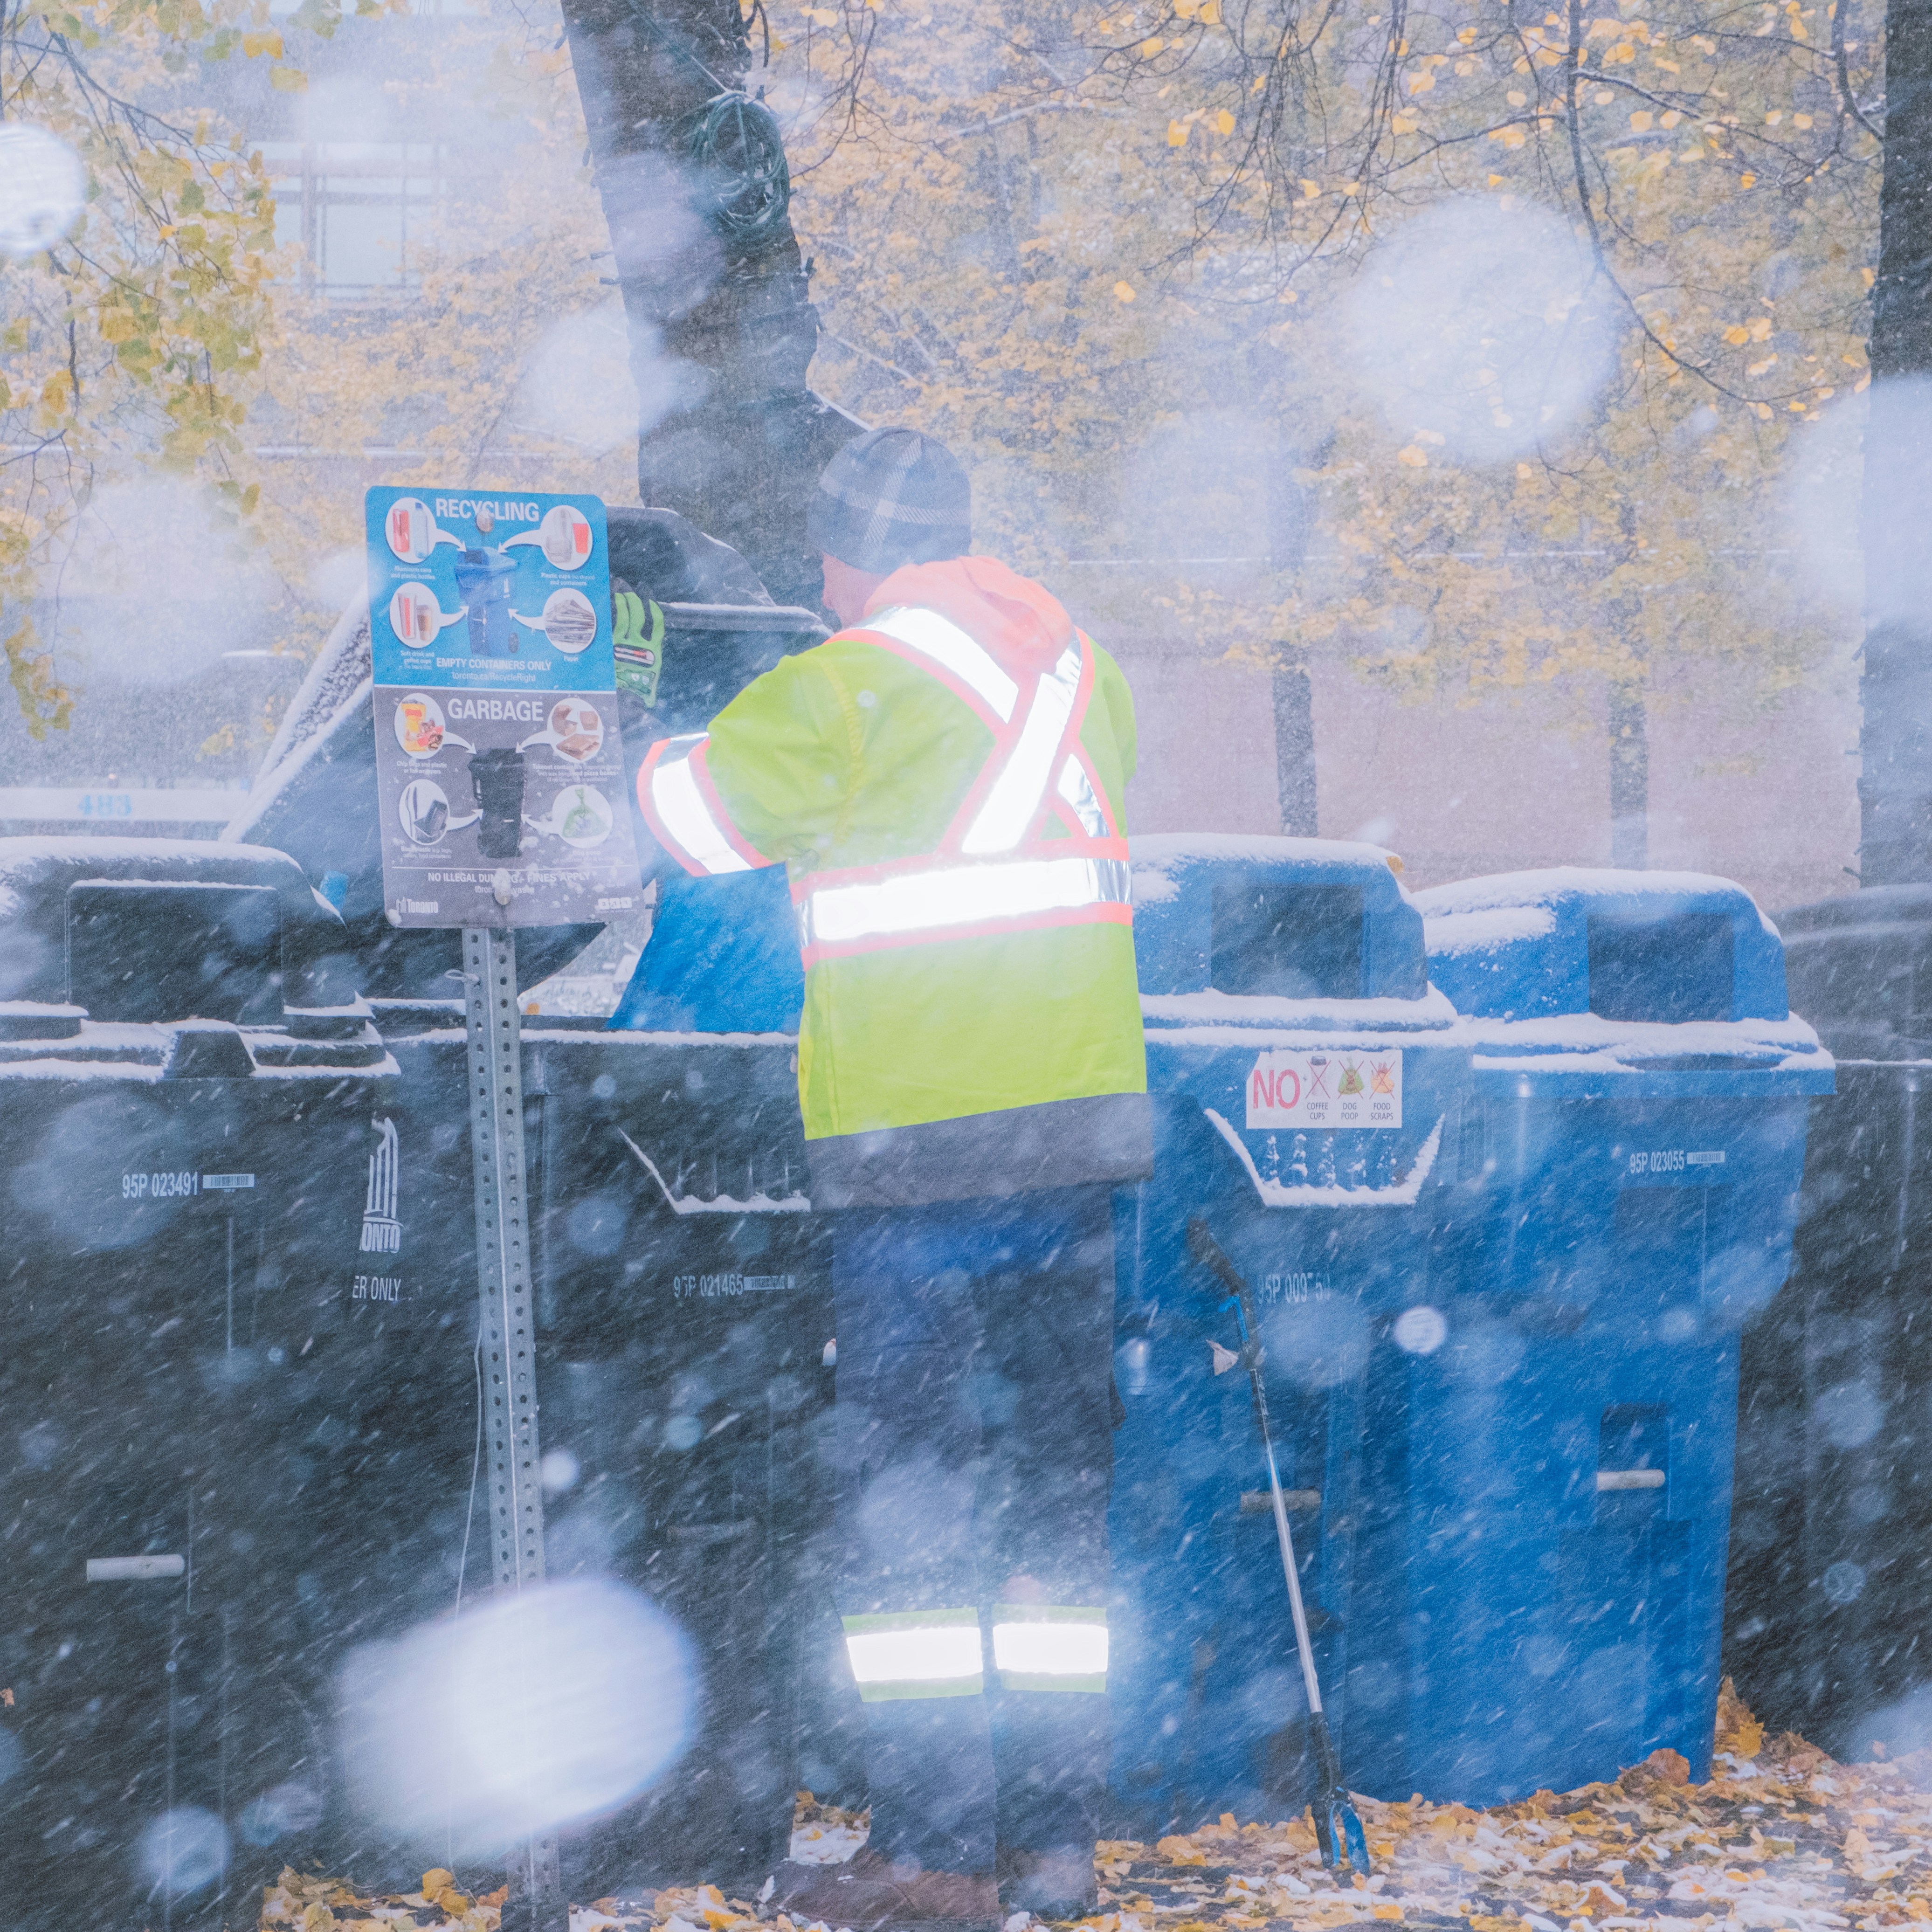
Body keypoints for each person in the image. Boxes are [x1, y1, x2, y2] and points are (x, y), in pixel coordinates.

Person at [635, 427, 1151, 1931]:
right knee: (1059, 1510)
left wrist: (647, 737)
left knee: (914, 1520)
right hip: (1078, 1142)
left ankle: (929, 1852)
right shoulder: (1085, 676)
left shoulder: (840, 685)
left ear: (846, 556)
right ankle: (1055, 1843)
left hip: (918, 1158)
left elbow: (689, 825)